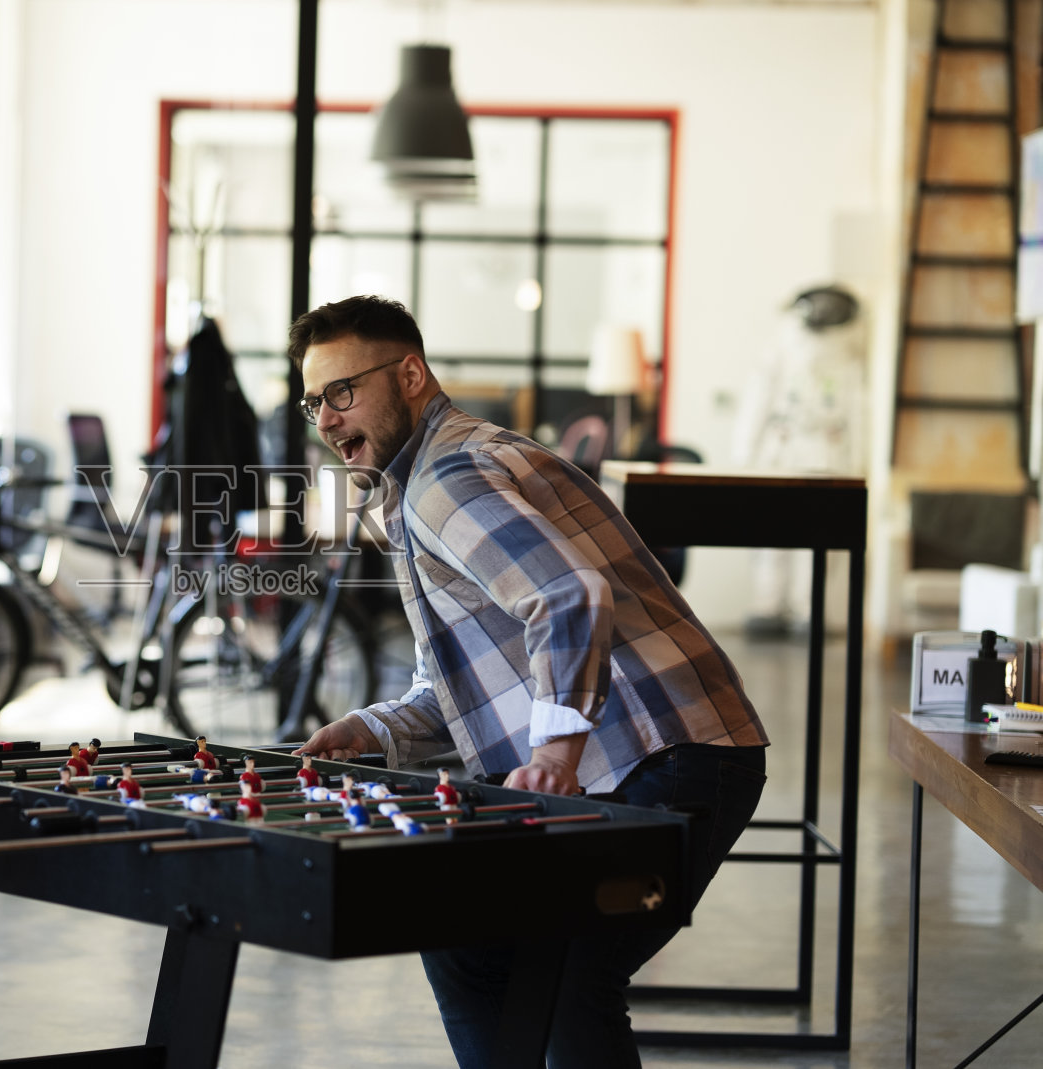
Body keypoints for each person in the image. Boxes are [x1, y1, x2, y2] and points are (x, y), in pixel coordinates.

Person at [290, 295, 768, 1069]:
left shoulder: (445, 477)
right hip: (658, 752)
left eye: (343, 391)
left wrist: (556, 751)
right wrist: (377, 729)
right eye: (314, 400)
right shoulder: (426, 483)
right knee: (472, 943)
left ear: (409, 374)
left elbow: (570, 594)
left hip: (665, 753)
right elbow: (462, 677)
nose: (327, 418)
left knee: (571, 972)